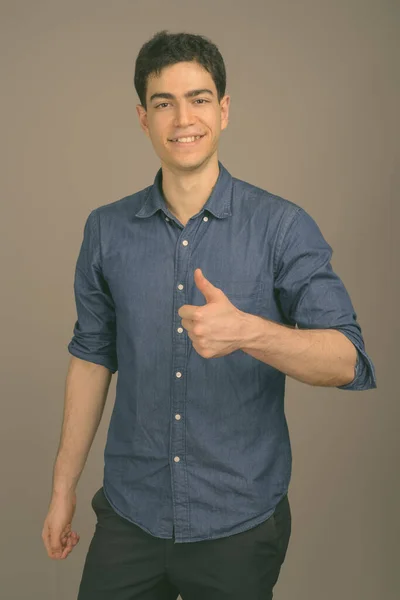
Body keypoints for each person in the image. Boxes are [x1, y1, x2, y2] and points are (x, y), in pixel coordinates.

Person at [41, 29, 377, 600]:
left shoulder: (281, 226)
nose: (182, 119)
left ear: (223, 110)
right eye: (163, 103)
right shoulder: (106, 230)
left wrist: (248, 331)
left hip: (238, 522)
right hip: (131, 513)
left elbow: (348, 361)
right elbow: (93, 357)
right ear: (144, 119)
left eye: (198, 99)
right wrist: (62, 489)